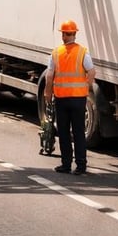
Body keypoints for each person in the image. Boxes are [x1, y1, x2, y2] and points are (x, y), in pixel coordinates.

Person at [43, 19, 96, 175]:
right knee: (79, 132)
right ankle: (81, 166)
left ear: (64, 35)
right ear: (74, 34)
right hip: (79, 100)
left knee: (64, 133)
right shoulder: (83, 52)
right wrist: (86, 86)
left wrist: (47, 94)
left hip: (62, 99)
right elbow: (92, 72)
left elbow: (49, 77)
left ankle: (66, 165)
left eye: (63, 34)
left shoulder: (56, 53)